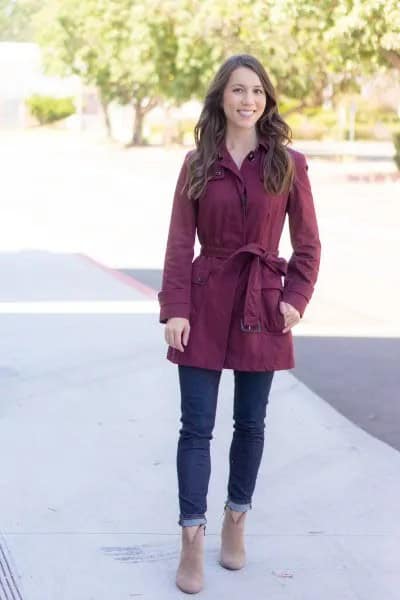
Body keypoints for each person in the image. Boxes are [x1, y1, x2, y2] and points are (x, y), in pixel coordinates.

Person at [158, 53, 321, 594]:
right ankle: (191, 536)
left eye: (256, 90)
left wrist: (295, 296)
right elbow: (181, 242)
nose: (248, 99)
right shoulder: (197, 161)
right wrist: (175, 307)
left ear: (267, 99)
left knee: (250, 424)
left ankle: (235, 518)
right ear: (221, 99)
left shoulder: (288, 164)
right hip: (204, 302)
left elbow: (309, 244)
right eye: (237, 90)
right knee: (195, 426)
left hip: (262, 304)